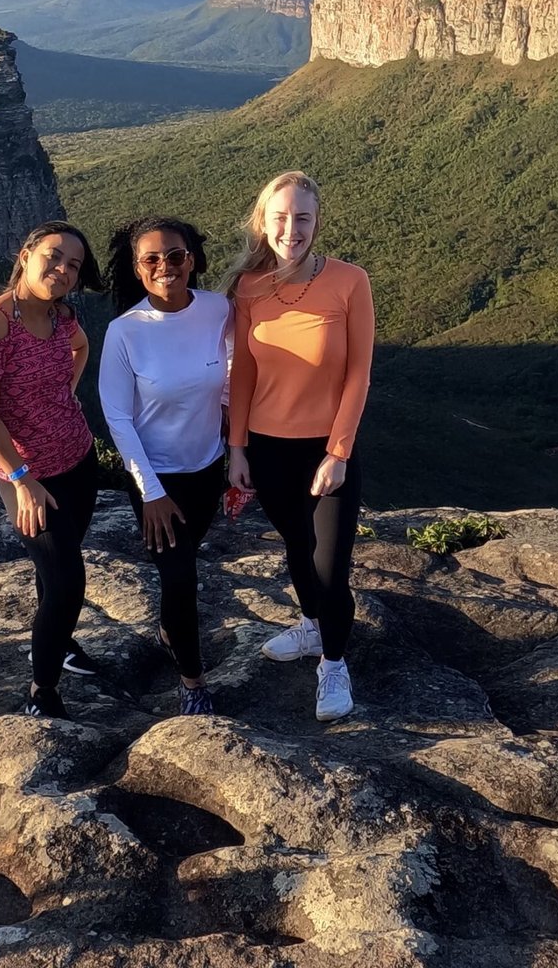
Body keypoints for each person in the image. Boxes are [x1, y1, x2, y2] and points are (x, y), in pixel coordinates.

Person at [225, 172, 374, 722]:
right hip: (267, 446)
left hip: (325, 448)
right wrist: (237, 449)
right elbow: (242, 373)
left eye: (303, 218)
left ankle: (333, 663)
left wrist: (339, 452)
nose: (292, 230)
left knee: (330, 565)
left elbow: (359, 373)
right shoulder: (248, 287)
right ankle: (311, 626)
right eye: (281, 218)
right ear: (263, 223)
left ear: (317, 222)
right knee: (295, 545)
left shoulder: (350, 281)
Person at [0, 220, 103, 719]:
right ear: (25, 255)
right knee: (68, 582)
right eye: (53, 257)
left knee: (56, 569)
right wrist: (22, 479)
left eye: (73, 265)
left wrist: (64, 392)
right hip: (29, 476)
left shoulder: (61, 317)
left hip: (79, 459)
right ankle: (42, 691)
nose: (62, 270)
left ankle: (61, 643)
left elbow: (81, 348)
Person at [98, 217, 229, 717]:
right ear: (137, 268)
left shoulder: (218, 309)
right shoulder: (125, 332)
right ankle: (192, 682)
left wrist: (236, 448)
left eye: (175, 255)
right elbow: (117, 417)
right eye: (151, 259)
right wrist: (151, 492)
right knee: (180, 578)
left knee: (185, 564)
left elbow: (234, 370)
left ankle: (170, 630)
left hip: (208, 468)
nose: (165, 266)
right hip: (156, 478)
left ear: (191, 259)